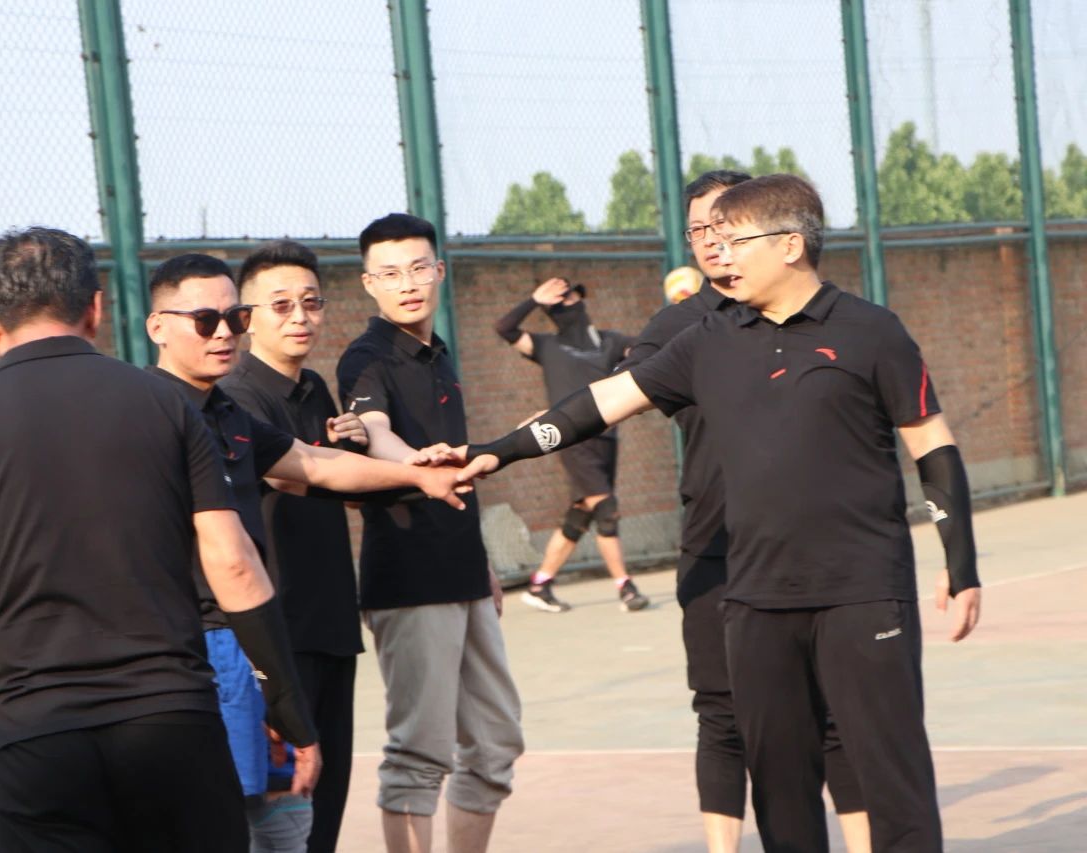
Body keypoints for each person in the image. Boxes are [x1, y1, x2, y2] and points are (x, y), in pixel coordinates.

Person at [453, 175, 982, 852]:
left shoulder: (873, 332)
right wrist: (494, 452)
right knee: (780, 790)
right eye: (712, 239)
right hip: (754, 599)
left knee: (893, 779)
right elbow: (598, 405)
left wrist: (961, 565)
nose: (717, 253)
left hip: (864, 592)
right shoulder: (707, 339)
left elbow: (933, 447)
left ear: (790, 244)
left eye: (735, 240)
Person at [0, 227, 316, 852]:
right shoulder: (169, 406)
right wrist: (287, 708)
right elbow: (236, 566)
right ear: (95, 308)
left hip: (39, 738)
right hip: (171, 722)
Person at [145, 252, 475, 852]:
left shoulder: (228, 411)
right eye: (205, 320)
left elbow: (314, 464)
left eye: (233, 318)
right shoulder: (153, 410)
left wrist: (418, 475)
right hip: (214, 647)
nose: (224, 333)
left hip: (285, 635)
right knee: (242, 822)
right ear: (157, 327)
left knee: (296, 821)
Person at [622, 169, 869, 852]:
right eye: (697, 230)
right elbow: (621, 391)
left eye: (722, 227)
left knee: (833, 715)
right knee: (722, 713)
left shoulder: (814, 317)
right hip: (715, 546)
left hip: (807, 546)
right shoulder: (680, 327)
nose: (710, 241)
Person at [337, 213, 523, 853]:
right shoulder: (367, 357)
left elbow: (459, 475)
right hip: (409, 579)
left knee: (495, 744)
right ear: (369, 284)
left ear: (439, 271)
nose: (408, 284)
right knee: (420, 754)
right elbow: (375, 431)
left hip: (464, 572)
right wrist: (412, 464)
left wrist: (482, 560)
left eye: (419, 268)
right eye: (390, 274)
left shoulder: (438, 354)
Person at [220, 240, 366, 853]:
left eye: (311, 302)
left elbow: (346, 493)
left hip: (331, 624)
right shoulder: (236, 397)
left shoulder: (315, 389)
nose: (300, 317)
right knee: (284, 815)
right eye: (281, 305)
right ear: (247, 318)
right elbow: (300, 476)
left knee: (326, 806)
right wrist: (354, 462)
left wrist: (356, 446)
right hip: (276, 634)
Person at [493, 278, 649, 613]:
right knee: (606, 508)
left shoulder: (609, 342)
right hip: (573, 440)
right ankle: (625, 587)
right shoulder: (545, 346)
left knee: (581, 514)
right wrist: (534, 300)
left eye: (573, 295)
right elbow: (504, 327)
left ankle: (540, 584)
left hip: (606, 438)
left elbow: (650, 350)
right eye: (560, 299)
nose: (570, 302)